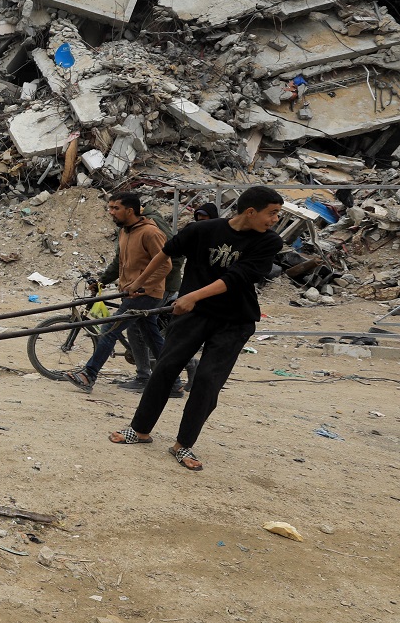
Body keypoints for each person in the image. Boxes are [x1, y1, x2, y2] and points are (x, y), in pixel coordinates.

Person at [109, 185, 284, 472]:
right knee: (165, 369)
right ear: (250, 212)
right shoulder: (203, 230)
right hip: (193, 316)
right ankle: (140, 430)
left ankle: (183, 444)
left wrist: (191, 296)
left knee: (207, 380)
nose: (275, 219)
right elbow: (166, 252)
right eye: (272, 213)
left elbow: (237, 276)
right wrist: (138, 284)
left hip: (234, 320)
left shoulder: (269, 242)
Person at [63, 193, 172, 395]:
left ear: (130, 211)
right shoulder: (124, 232)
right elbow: (118, 264)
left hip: (145, 295)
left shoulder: (150, 233)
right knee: (152, 338)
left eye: (115, 208)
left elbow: (165, 265)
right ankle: (174, 381)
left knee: (110, 329)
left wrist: (143, 286)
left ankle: (89, 374)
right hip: (130, 292)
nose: (110, 212)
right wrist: (101, 281)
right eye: (110, 207)